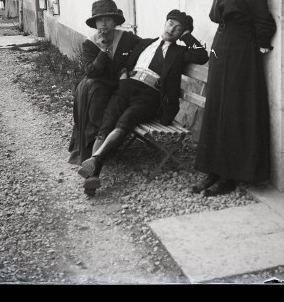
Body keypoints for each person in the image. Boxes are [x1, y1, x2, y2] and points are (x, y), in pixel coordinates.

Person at [77, 10, 209, 196]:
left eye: (178, 29)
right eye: (171, 24)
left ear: (181, 34)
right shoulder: (144, 43)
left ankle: (95, 163)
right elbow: (123, 58)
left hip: (150, 95)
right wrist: (123, 75)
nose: (172, 30)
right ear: (165, 23)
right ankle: (93, 174)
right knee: (107, 122)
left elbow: (202, 55)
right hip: (126, 86)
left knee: (125, 121)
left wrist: (187, 34)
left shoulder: (180, 52)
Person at [192, 0, 277, 197]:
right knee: (218, 107)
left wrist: (259, 49)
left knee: (234, 111)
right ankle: (214, 170)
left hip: (241, 54)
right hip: (222, 49)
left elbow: (265, 21)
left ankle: (231, 174)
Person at [68, 0, 141, 165]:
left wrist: (129, 68)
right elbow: (92, 72)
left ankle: (108, 146)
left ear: (114, 22)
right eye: (100, 20)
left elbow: (145, 47)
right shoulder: (90, 43)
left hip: (118, 85)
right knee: (94, 92)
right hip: (96, 86)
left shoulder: (126, 38)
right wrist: (102, 51)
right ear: (95, 23)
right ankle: (95, 149)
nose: (104, 24)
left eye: (108, 19)